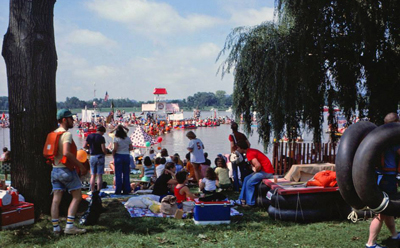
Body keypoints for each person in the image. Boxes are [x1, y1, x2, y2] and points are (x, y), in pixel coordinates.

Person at [366, 113, 400, 248]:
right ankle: (371, 243)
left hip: (383, 177)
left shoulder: (381, 138)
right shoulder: (392, 140)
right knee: (382, 212)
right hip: (387, 179)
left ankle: (394, 235)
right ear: (396, 123)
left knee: (388, 208)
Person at [51, 109, 87, 235]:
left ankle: (56, 228)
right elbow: (66, 153)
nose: (73, 121)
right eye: (71, 118)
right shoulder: (66, 134)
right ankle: (69, 226)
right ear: (65, 120)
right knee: (77, 197)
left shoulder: (54, 133)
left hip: (54, 170)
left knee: (56, 200)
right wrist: (80, 166)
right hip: (66, 170)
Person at [236, 140, 274, 207]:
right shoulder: (250, 151)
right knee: (246, 178)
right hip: (263, 170)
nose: (237, 149)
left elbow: (258, 165)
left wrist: (255, 171)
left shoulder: (249, 153)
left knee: (250, 182)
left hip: (266, 171)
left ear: (241, 148)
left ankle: (250, 203)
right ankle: (241, 199)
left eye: (238, 148)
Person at [229, 122, 251, 192]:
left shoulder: (231, 136)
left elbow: (232, 145)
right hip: (242, 154)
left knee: (235, 171)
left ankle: (236, 188)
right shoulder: (242, 135)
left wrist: (232, 153)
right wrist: (245, 150)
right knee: (242, 171)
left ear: (231, 128)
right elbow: (248, 144)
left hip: (236, 154)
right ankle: (244, 186)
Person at [84, 125, 107, 192]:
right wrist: (105, 152)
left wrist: (90, 148)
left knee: (93, 175)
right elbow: (103, 149)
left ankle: (92, 190)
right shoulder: (101, 137)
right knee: (99, 175)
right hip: (100, 156)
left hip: (92, 156)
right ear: (102, 131)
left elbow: (84, 146)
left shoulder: (89, 136)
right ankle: (98, 191)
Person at [112, 125, 132, 195]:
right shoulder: (127, 138)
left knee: (118, 174)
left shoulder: (116, 138)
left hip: (118, 156)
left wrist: (113, 154)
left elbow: (115, 148)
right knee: (126, 174)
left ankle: (118, 190)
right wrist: (122, 126)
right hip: (126, 156)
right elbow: (131, 148)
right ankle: (126, 190)